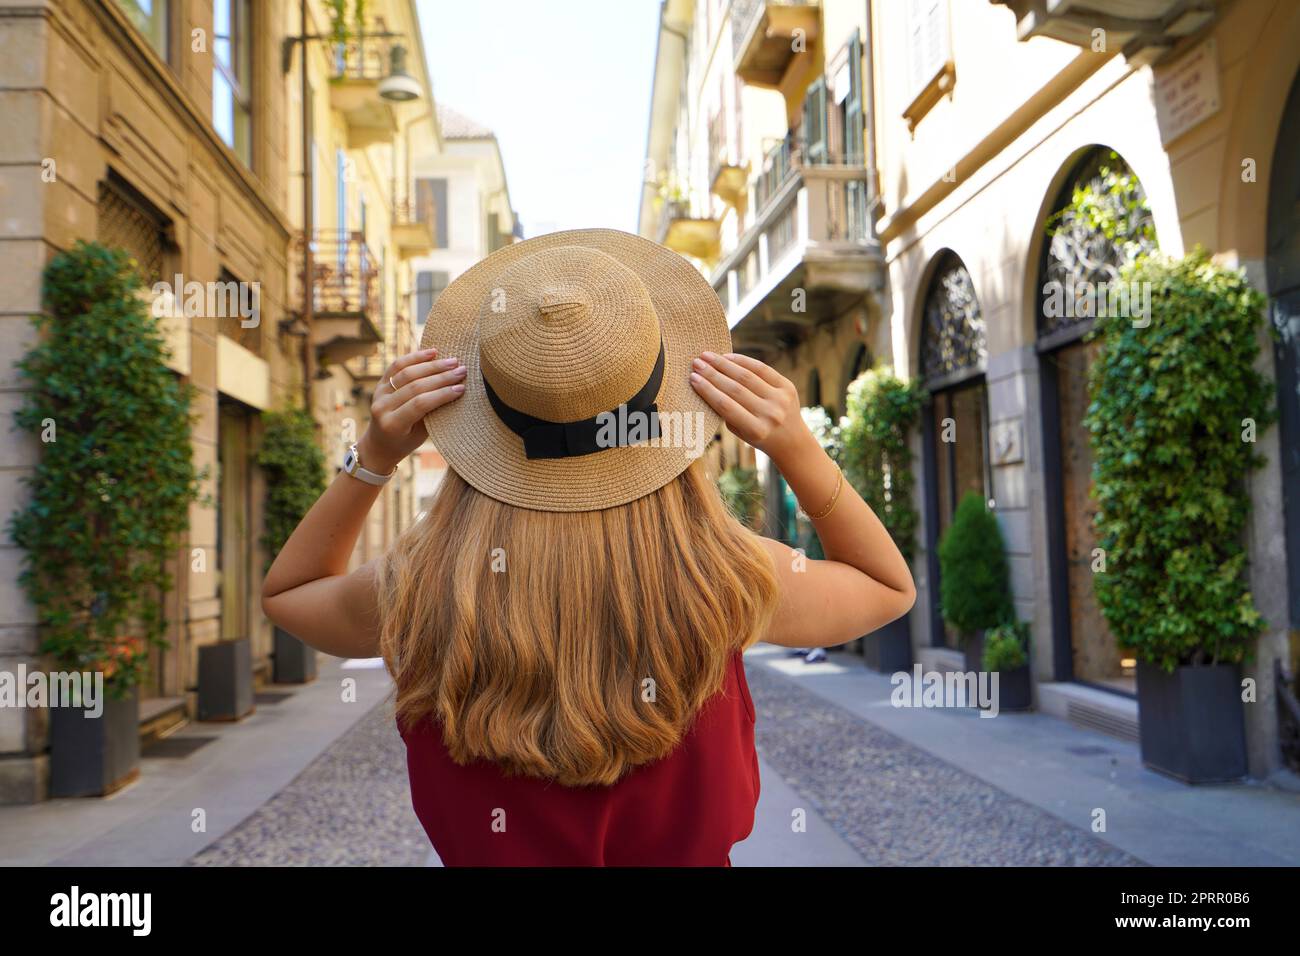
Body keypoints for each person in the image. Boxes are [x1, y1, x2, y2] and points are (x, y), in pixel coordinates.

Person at [262, 229, 915, 866]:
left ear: (479, 420)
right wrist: (795, 446)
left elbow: (289, 595)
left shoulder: (424, 585)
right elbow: (888, 587)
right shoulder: (724, 573)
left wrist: (373, 457)